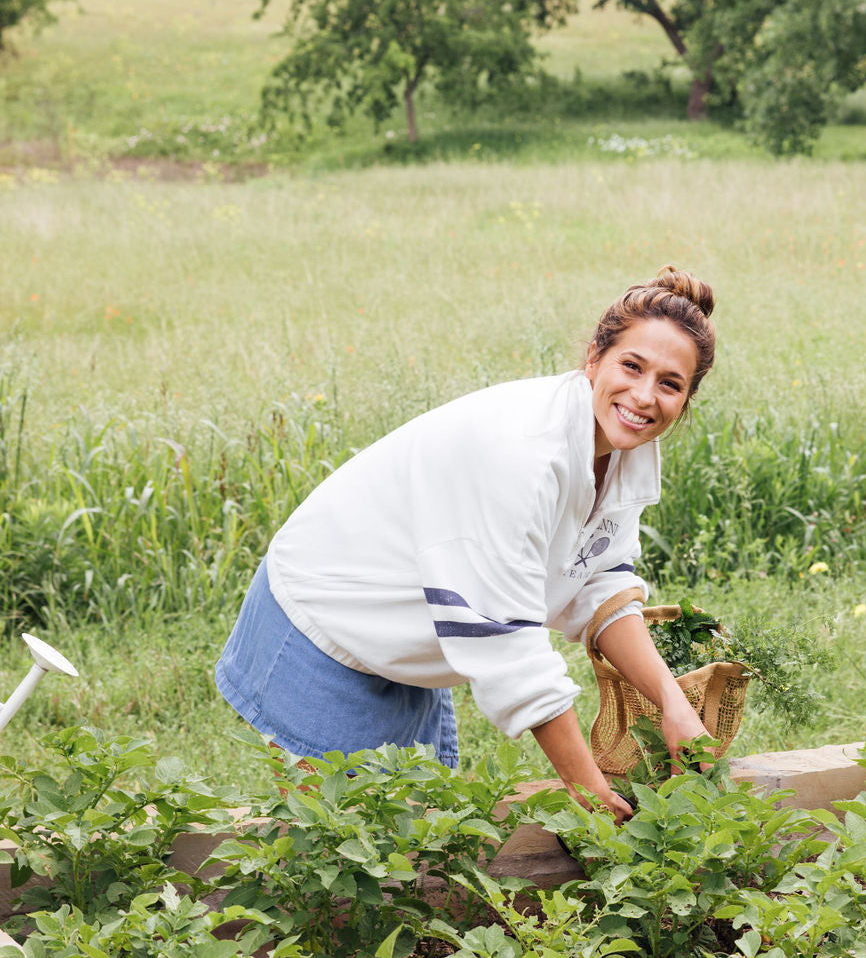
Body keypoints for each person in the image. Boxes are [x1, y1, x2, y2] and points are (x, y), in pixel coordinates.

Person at [215, 267, 716, 822]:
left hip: (402, 636)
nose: (644, 396)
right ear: (594, 358)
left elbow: (598, 579)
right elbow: (506, 644)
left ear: (686, 399)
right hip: (321, 627)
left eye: (670, 384)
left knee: (413, 836)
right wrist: (588, 791)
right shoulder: (521, 455)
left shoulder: (622, 451)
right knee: (341, 847)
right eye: (632, 366)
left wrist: (671, 701)